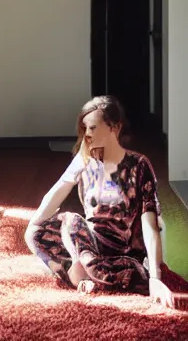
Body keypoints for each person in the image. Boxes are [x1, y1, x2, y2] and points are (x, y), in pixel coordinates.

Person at [25, 95, 179, 308]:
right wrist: (74, 169)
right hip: (93, 247)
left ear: (114, 127)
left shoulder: (139, 165)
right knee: (39, 232)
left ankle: (83, 275)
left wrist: (155, 277)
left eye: (93, 127)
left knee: (122, 267)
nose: (87, 134)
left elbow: (150, 226)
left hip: (125, 255)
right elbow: (40, 217)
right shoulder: (85, 163)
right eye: (85, 128)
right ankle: (92, 273)